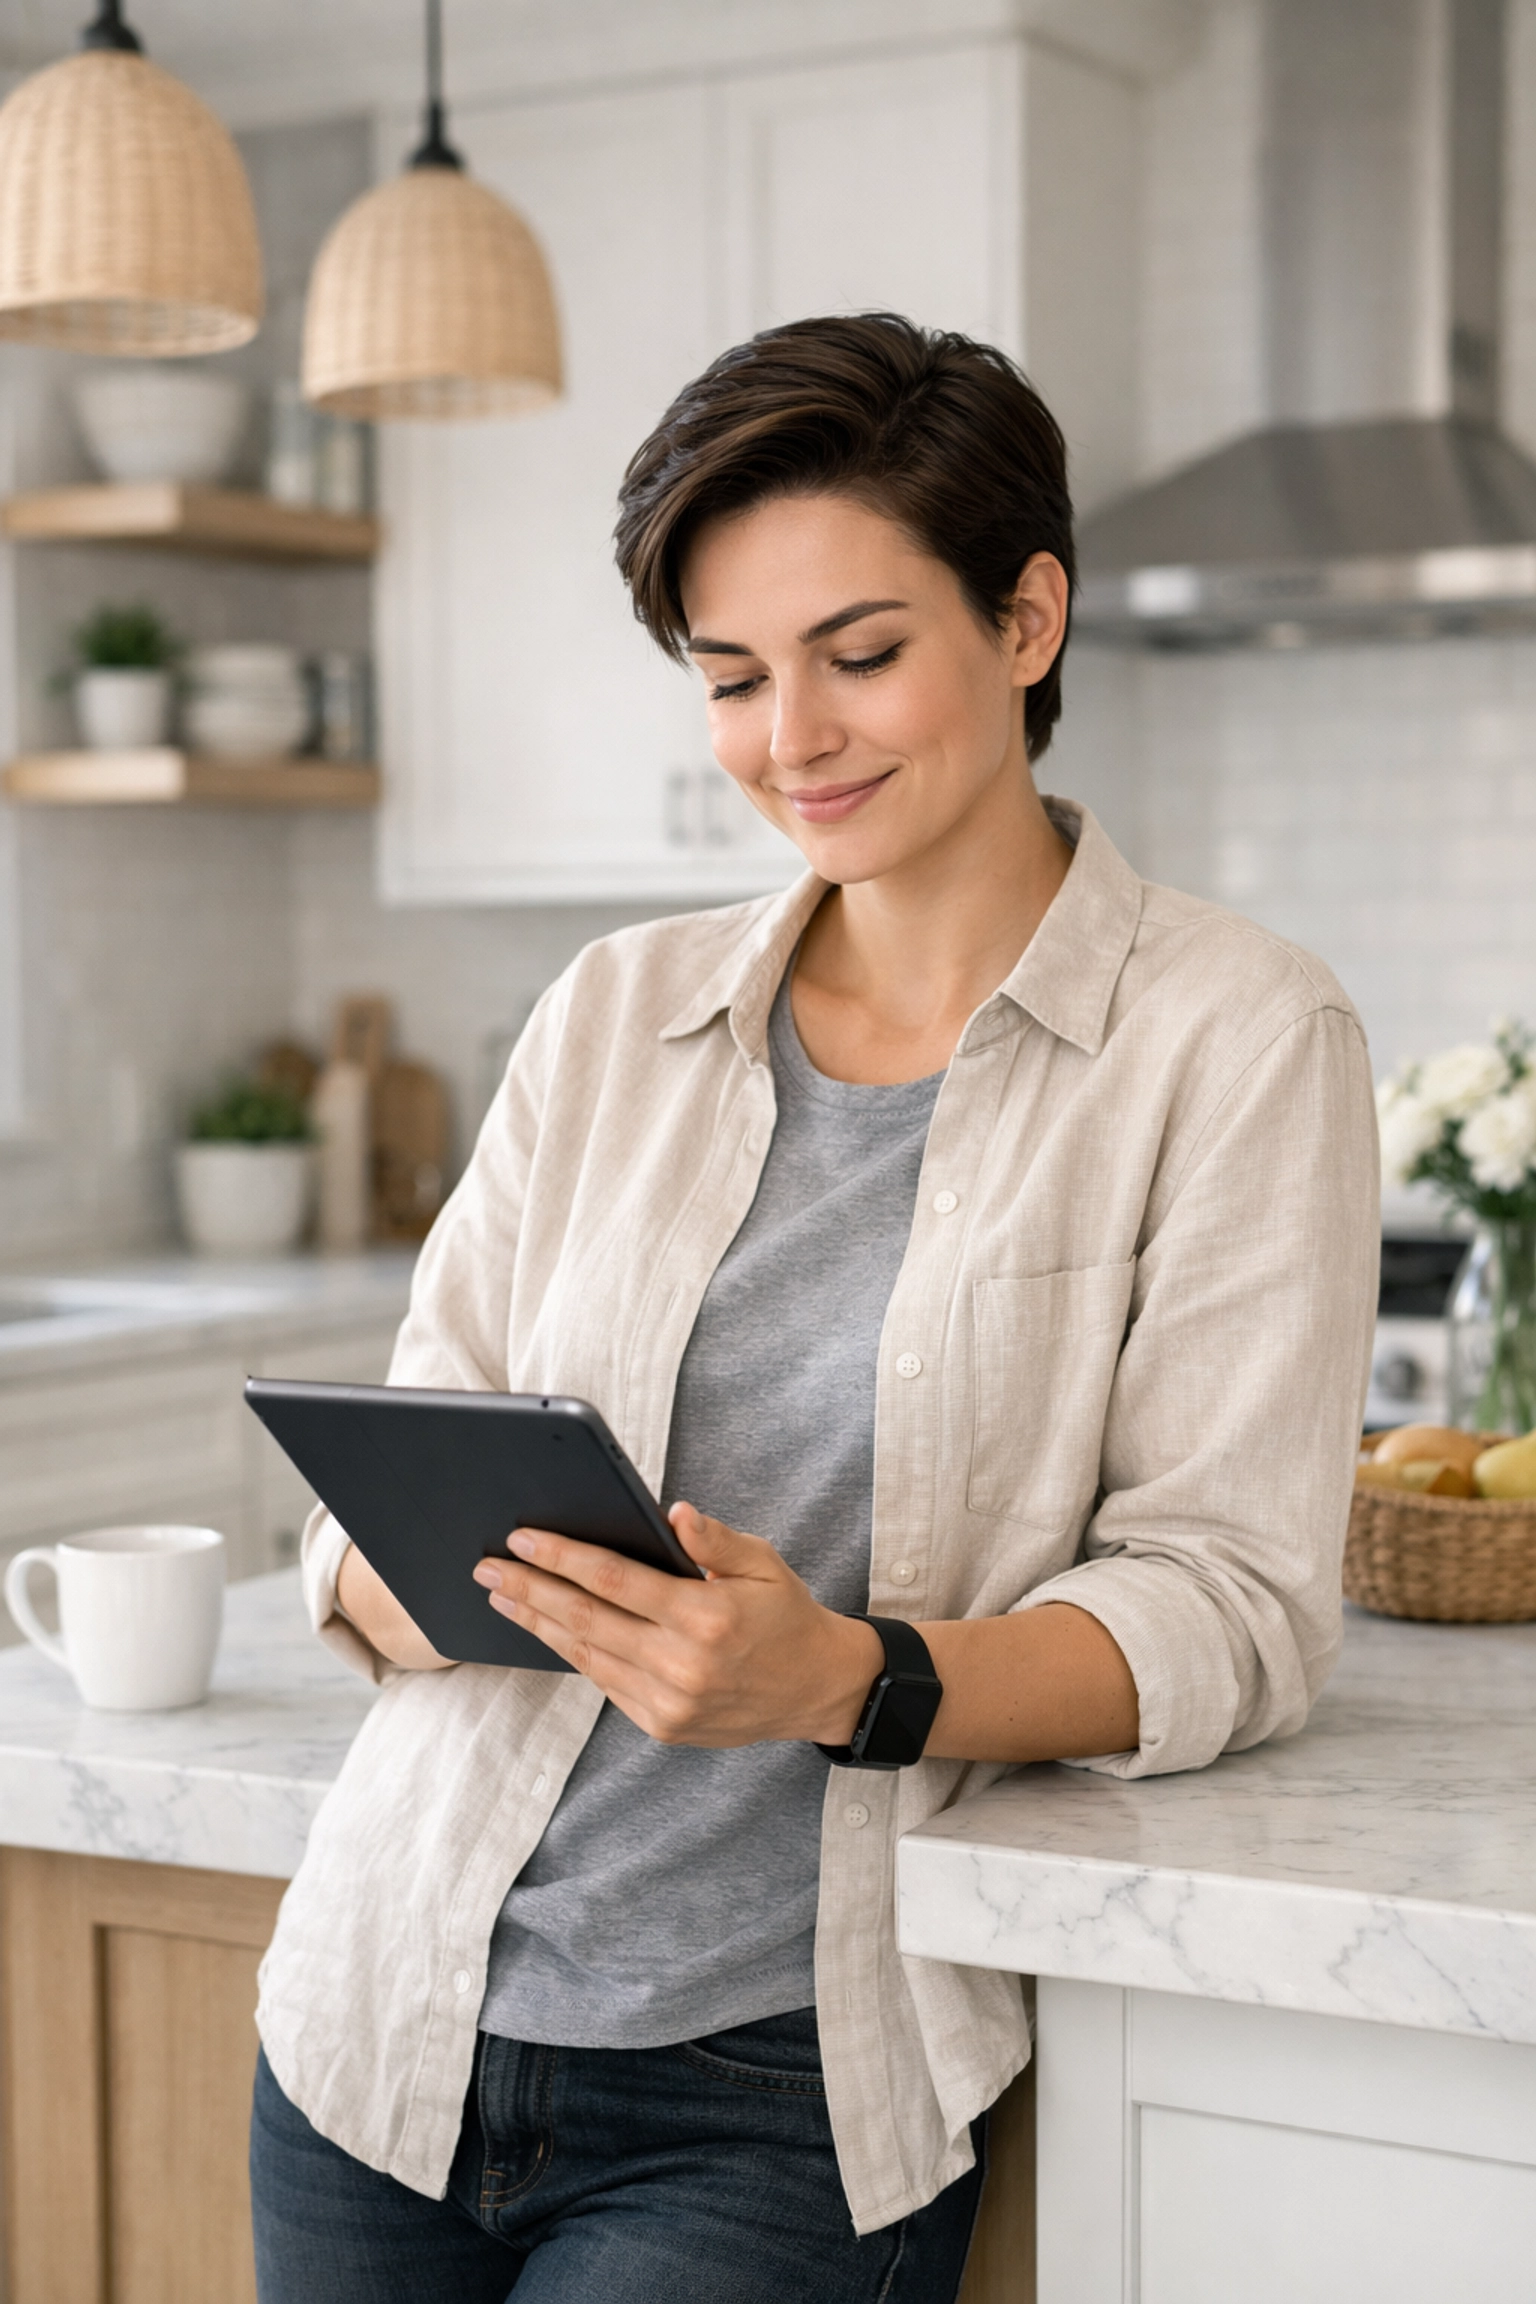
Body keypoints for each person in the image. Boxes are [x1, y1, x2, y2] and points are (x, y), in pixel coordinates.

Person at [249, 313, 1379, 2303]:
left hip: (771, 2087)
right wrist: (374, 1567)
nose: (796, 740)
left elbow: (1235, 1602)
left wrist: (848, 1679)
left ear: (1027, 620)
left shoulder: (1234, 1032)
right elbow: (407, 1449)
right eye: (734, 678)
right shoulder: (614, 1011)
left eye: (861, 655)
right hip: (384, 2017)